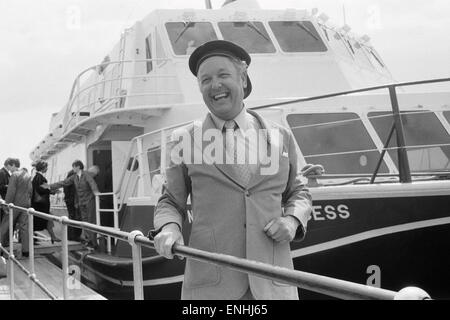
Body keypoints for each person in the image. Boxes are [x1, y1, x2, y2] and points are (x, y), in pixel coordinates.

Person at [152, 40, 313, 300]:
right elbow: (170, 201)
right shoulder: (183, 139)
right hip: (211, 289)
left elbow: (299, 192)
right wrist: (169, 228)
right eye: (205, 80)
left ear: (243, 78)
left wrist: (293, 220)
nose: (214, 85)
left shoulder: (280, 136)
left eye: (223, 75)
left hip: (274, 285)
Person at [50, 160, 100, 248]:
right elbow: (64, 182)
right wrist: (49, 186)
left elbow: (92, 184)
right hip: (82, 202)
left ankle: (93, 242)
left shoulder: (86, 175)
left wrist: (96, 193)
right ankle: (88, 240)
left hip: (89, 200)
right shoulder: (74, 177)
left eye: (74, 166)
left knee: (91, 221)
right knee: (85, 221)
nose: (73, 168)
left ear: (78, 167)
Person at [0, 167, 32, 256]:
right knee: (24, 227)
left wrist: (6, 204)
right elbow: (30, 191)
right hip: (26, 205)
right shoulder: (28, 176)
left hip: (15, 204)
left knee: (5, 225)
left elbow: (11, 191)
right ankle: (26, 251)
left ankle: (0, 248)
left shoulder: (15, 175)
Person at [31, 161, 60, 243]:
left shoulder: (37, 177)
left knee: (45, 220)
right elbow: (42, 189)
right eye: (46, 167)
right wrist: (51, 190)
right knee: (43, 220)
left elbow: (41, 189)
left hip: (39, 204)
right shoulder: (39, 177)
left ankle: (53, 236)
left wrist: (51, 191)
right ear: (43, 168)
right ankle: (52, 237)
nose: (47, 169)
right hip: (41, 205)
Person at [63, 170, 81, 241]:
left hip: (69, 202)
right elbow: (75, 192)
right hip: (73, 202)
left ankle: (71, 236)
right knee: (76, 218)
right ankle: (75, 236)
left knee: (71, 217)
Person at [0, 158, 20, 223]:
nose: (13, 167)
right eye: (12, 165)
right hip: (3, 200)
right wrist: (9, 186)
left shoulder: (5, 173)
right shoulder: (2, 172)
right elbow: (1, 186)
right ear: (9, 165)